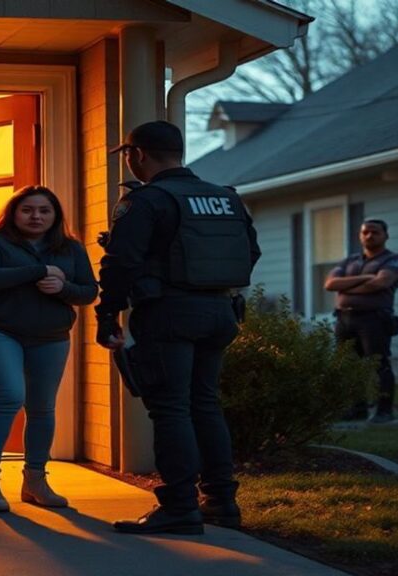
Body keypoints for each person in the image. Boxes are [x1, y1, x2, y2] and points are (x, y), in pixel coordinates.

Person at [95, 121, 261, 535]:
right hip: (221, 311)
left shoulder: (147, 201)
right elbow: (250, 252)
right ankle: (221, 502)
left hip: (168, 314)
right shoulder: (226, 199)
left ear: (138, 155)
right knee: (204, 403)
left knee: (170, 408)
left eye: (129, 156)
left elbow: (121, 263)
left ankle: (180, 507)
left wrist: (106, 315)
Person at [0, 186, 97, 512]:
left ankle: (35, 480)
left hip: (50, 336)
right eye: (27, 209)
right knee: (10, 396)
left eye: (44, 210)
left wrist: (63, 287)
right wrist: (37, 271)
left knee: (42, 407)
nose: (36, 216)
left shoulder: (70, 248)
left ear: (55, 216)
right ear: (13, 212)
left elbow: (88, 291)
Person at [325, 219, 398, 423]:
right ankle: (356, 409)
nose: (369, 236)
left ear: (385, 235)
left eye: (375, 232)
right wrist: (364, 278)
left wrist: (345, 287)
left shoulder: (393, 259)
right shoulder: (349, 260)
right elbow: (330, 283)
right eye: (365, 232)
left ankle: (384, 411)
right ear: (360, 236)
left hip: (374, 319)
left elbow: (381, 282)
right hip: (344, 319)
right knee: (349, 366)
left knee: (378, 365)